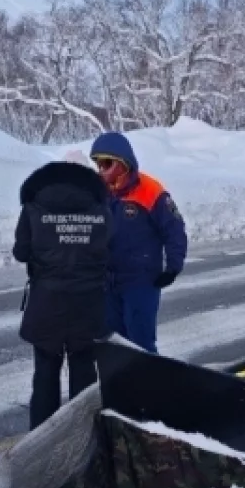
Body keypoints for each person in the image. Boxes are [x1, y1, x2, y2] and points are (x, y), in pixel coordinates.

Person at [12, 159, 110, 430]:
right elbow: (109, 248)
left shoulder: (33, 208)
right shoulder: (101, 209)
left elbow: (20, 252)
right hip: (88, 303)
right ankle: (84, 438)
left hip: (46, 302)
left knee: (45, 373)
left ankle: (42, 440)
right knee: (84, 373)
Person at [90, 132, 187, 354]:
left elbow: (174, 229)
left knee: (141, 345)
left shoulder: (150, 191)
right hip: (108, 282)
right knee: (114, 344)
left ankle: (149, 388)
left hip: (141, 281)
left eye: (107, 163)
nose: (101, 169)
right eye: (98, 164)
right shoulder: (98, 193)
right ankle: (122, 387)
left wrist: (173, 266)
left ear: (123, 163)